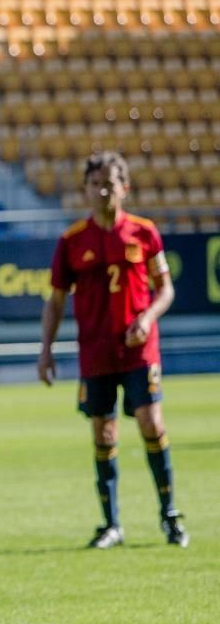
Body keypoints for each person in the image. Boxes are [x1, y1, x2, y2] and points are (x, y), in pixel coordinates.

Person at [39, 151, 188, 549]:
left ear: (125, 187)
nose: (103, 190)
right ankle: (111, 525)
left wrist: (148, 317)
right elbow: (55, 301)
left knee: (151, 423)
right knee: (103, 433)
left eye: (110, 182)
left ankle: (170, 516)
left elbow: (165, 289)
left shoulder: (145, 233)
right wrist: (46, 350)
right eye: (95, 183)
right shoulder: (71, 242)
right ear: (85, 190)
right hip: (96, 353)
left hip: (139, 350)